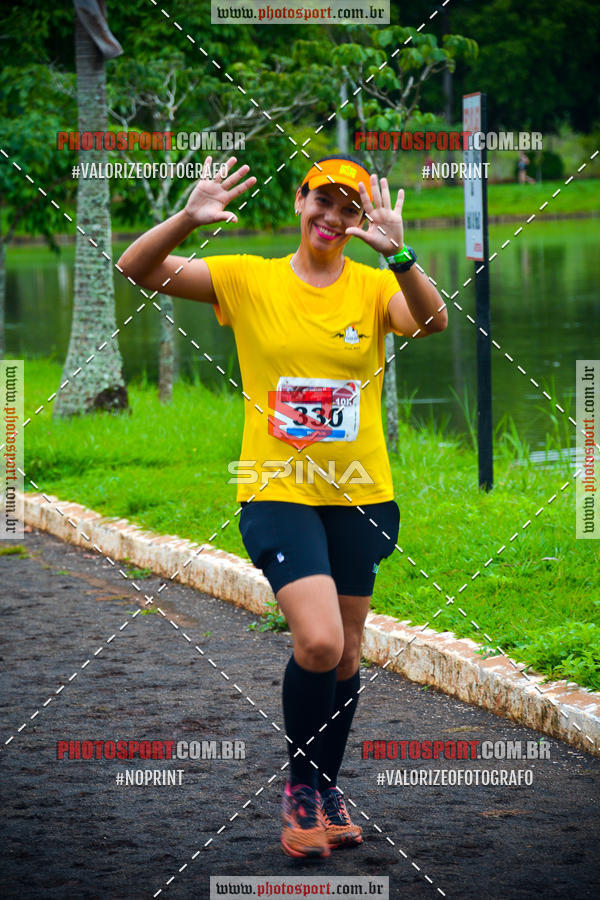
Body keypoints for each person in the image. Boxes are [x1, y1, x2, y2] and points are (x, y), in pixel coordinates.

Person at [117, 153, 447, 860]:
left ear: (360, 220)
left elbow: (432, 322)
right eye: (322, 201)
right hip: (275, 492)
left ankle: (327, 793)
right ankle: (300, 791)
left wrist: (401, 256)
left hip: (361, 495)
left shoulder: (373, 286)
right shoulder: (248, 277)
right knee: (320, 641)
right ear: (300, 202)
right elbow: (136, 269)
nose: (333, 217)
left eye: (349, 209)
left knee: (349, 651)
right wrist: (187, 217)